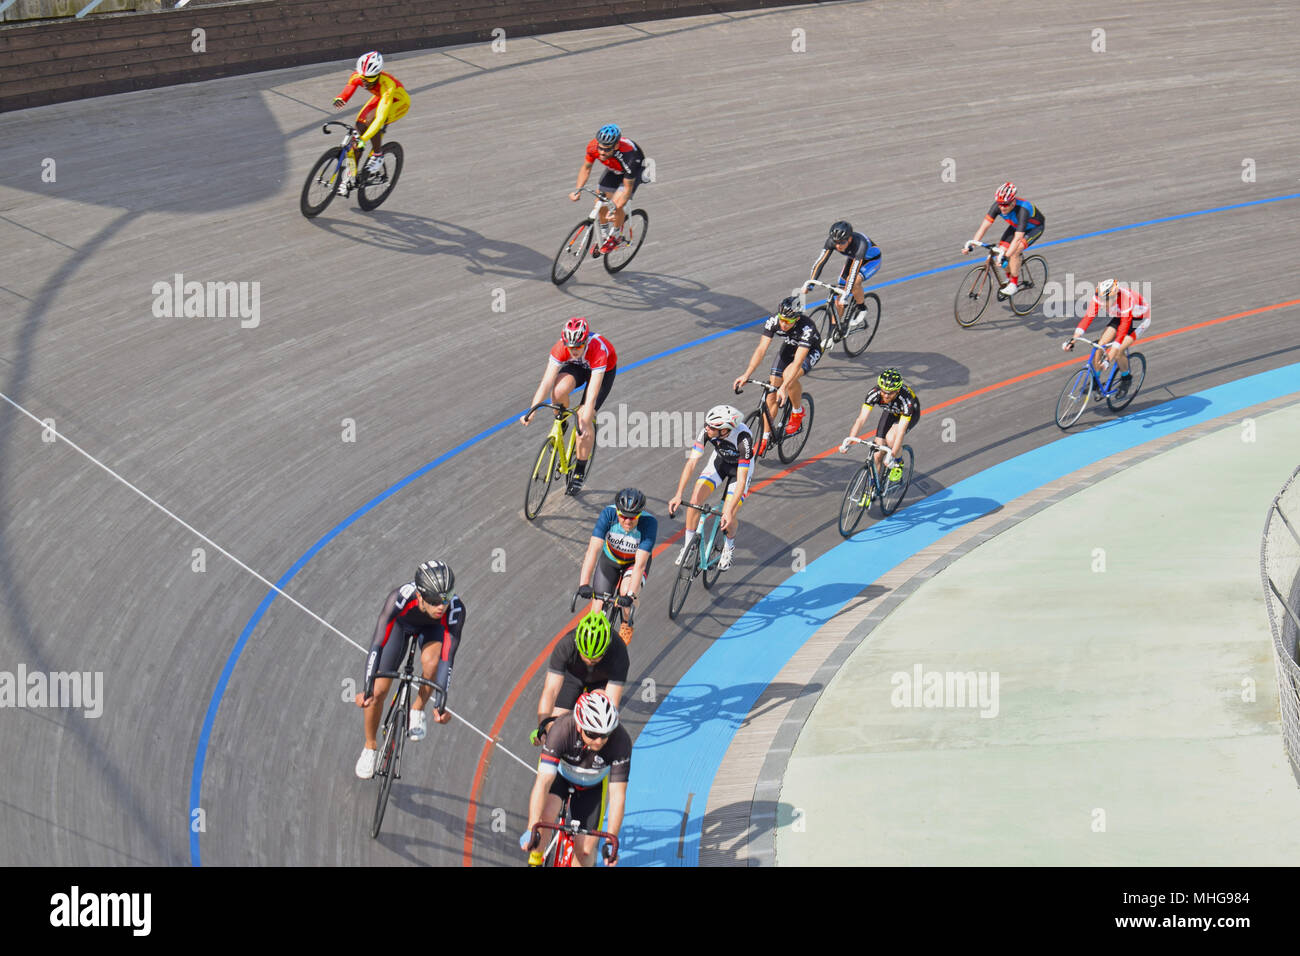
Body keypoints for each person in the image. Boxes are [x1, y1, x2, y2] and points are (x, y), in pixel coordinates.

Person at [354, 561, 462, 779]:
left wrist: (440, 704)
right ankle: (370, 746)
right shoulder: (400, 598)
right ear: (420, 596)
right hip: (400, 626)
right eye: (434, 601)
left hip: (434, 630)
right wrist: (367, 687)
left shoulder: (454, 611)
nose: (441, 606)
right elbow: (377, 644)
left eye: (446, 599)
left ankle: (417, 709)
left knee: (431, 663)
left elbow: (447, 659)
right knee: (377, 694)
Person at [523, 690, 629, 867]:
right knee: (545, 819)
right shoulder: (561, 730)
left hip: (592, 786)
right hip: (560, 777)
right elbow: (543, 783)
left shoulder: (621, 741)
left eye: (605, 735)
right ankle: (534, 861)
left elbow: (618, 796)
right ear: (579, 726)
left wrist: (611, 841)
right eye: (592, 734)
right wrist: (531, 827)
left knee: (585, 851)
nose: (599, 741)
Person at [521, 317, 617, 493]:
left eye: (578, 347)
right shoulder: (561, 348)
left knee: (583, 419)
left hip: (602, 372)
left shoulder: (598, 350)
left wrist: (586, 414)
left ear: (586, 341)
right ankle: (562, 421)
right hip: (578, 367)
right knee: (557, 392)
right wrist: (532, 410)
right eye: (570, 347)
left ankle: (580, 469)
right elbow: (546, 382)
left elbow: (593, 392)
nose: (573, 350)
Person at [732, 295, 822, 457]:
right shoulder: (774, 321)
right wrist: (747, 374)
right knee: (771, 393)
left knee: (789, 376)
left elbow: (797, 362)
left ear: (797, 318)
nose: (783, 324)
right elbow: (761, 349)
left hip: (808, 351)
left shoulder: (807, 328)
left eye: (788, 321)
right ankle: (765, 438)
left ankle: (797, 411)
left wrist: (785, 387)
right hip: (789, 347)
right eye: (782, 319)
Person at [668, 404, 754, 573]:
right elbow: (692, 462)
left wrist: (729, 512)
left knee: (731, 512)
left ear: (725, 430)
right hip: (719, 463)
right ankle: (689, 546)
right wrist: (678, 494)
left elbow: (742, 480)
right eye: (707, 424)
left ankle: (729, 547)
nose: (707, 428)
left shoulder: (743, 439)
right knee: (694, 501)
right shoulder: (707, 431)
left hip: (739, 472)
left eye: (712, 427)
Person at [530, 610, 629, 746]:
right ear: (577, 644)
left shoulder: (619, 652)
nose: (589, 660)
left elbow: (612, 703)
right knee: (555, 728)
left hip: (601, 683)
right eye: (585, 656)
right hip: (573, 677)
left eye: (595, 658)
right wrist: (542, 727)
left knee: (599, 725)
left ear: (606, 649)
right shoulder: (566, 645)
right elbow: (550, 691)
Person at [576, 488, 656, 644]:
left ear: (640, 514)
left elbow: (640, 565)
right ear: (617, 512)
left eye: (633, 518)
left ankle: (626, 623)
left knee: (626, 593)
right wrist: (583, 584)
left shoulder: (649, 523)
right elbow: (593, 550)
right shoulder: (608, 514)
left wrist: (630, 596)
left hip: (633, 564)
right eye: (623, 516)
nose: (627, 521)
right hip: (611, 560)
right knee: (597, 608)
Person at [331, 51, 410, 196]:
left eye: (370, 79)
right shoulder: (358, 75)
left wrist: (364, 139)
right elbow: (350, 86)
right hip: (380, 98)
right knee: (359, 127)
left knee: (372, 122)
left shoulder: (388, 85)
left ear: (378, 74)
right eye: (363, 78)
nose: (365, 82)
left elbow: (380, 118)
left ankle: (378, 155)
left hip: (397, 103)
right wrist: (341, 98)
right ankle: (349, 176)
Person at [570, 123, 648, 255]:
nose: (601, 152)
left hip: (632, 171)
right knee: (600, 204)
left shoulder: (630, 158)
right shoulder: (593, 146)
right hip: (614, 169)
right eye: (600, 148)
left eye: (606, 149)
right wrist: (578, 189)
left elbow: (627, 188)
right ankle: (605, 236)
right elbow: (586, 168)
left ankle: (616, 236)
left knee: (617, 205)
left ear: (616, 146)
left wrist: (616, 208)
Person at [1063, 278, 1150, 395]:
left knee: (1118, 350)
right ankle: (1096, 380)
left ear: (1114, 297)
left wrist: (1109, 358)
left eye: (1105, 300)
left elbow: (1122, 331)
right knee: (1100, 345)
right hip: (1121, 315)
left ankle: (1126, 378)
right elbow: (1087, 319)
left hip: (1138, 319)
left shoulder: (1126, 300)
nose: (1102, 304)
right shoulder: (1099, 297)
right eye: (1101, 299)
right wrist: (1073, 340)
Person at [962, 182, 1045, 295]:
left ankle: (1014, 284)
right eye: (1000, 204)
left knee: (1014, 252)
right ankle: (1010, 277)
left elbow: (1017, 238)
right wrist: (972, 244)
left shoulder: (1023, 209)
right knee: (1000, 252)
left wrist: (1006, 256)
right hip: (1017, 227)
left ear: (1013, 202)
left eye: (1005, 204)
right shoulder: (997, 206)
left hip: (1034, 228)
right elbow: (984, 227)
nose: (1001, 207)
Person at [805, 220, 882, 341]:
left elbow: (853, 273)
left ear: (850, 239)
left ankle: (862, 308)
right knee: (838, 299)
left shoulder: (860, 244)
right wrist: (810, 283)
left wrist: (845, 295)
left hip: (871, 261)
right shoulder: (832, 241)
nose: (838, 246)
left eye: (842, 242)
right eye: (836, 242)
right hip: (853, 259)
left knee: (855, 281)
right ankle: (833, 332)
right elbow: (820, 262)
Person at [838, 368, 921, 481]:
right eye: (883, 391)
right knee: (877, 455)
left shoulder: (906, 400)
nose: (886, 396)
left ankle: (898, 463)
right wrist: (849, 441)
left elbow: (900, 432)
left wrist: (892, 456)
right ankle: (871, 487)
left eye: (890, 393)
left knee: (891, 438)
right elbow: (861, 419)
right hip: (891, 411)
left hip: (907, 414)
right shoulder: (874, 394)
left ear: (897, 391)